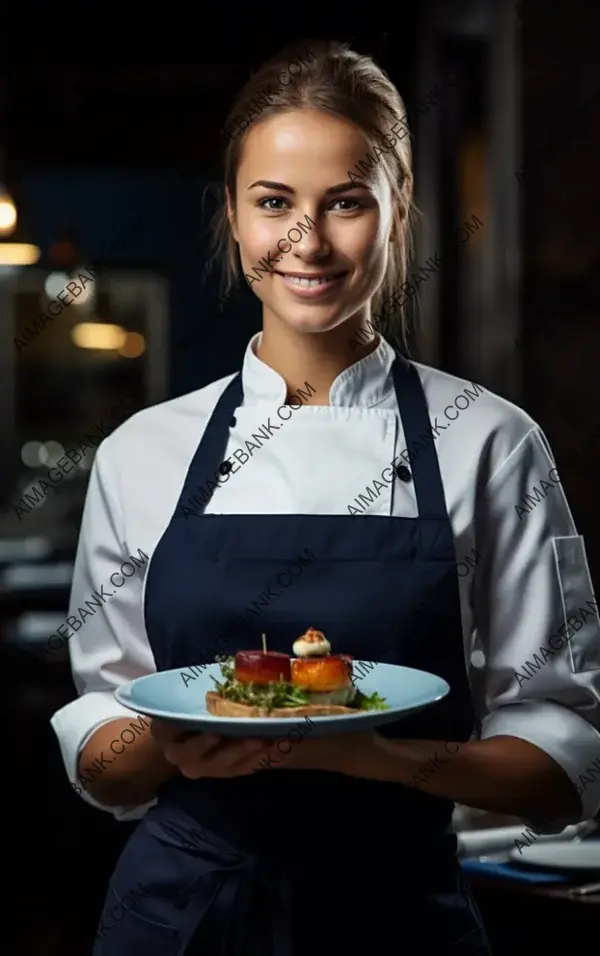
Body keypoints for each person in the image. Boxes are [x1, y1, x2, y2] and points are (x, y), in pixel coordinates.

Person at [50, 38, 600, 956]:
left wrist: (381, 760)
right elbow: (105, 743)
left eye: (346, 202)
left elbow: (562, 758)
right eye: (274, 203)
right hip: (183, 917)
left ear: (398, 213)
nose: (306, 242)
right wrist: (162, 747)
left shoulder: (489, 442)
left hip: (398, 918)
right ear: (232, 215)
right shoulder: (141, 454)